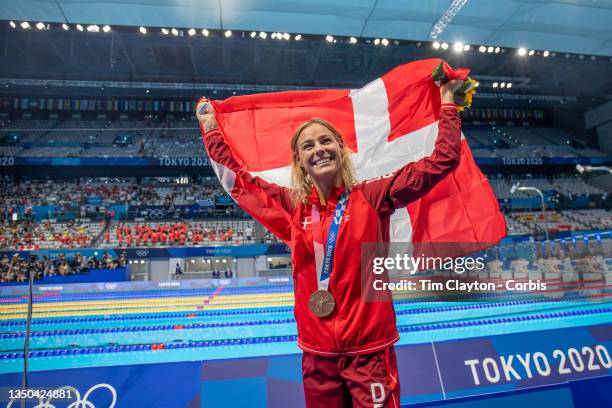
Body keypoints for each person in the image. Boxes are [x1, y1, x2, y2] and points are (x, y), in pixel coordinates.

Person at [197, 78, 463, 408]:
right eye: (308, 146)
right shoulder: (292, 207)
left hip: (369, 353)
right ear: (299, 162)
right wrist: (210, 128)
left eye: (326, 141)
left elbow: (443, 159)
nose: (319, 148)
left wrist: (447, 99)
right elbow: (237, 180)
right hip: (318, 356)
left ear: (341, 148)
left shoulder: (373, 196)